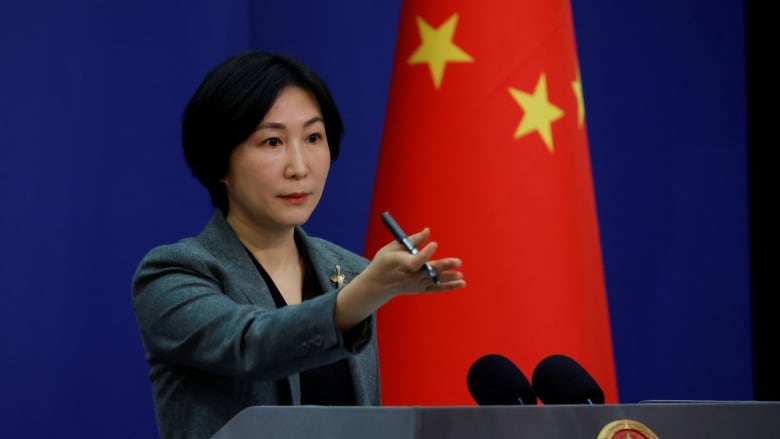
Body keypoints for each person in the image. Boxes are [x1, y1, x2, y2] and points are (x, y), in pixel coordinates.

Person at [131, 49, 466, 439]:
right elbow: (250, 346)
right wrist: (367, 292)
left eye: (313, 137)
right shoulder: (172, 273)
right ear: (220, 161)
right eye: (272, 142)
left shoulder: (346, 271)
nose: (299, 167)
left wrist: (364, 288)